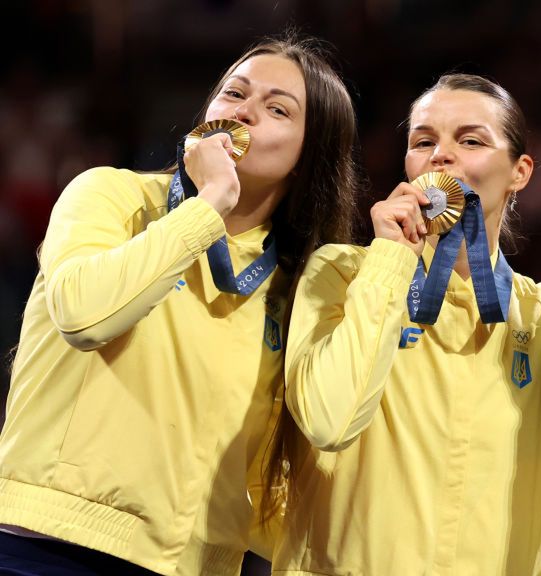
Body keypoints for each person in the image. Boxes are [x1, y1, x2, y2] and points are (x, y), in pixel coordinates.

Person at [0, 34, 360, 576]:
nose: (244, 110)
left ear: (311, 153)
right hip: (49, 543)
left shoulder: (299, 285)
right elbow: (84, 316)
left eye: (277, 109)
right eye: (234, 92)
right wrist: (211, 202)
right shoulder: (111, 196)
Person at [270, 73, 541, 575]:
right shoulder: (342, 274)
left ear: (520, 172)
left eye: (470, 140)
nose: (440, 155)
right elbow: (329, 422)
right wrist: (390, 260)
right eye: (423, 141)